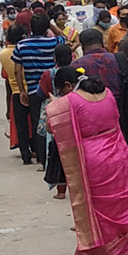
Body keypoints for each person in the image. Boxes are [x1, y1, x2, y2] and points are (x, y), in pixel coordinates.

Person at [44, 66, 128, 255]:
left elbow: (50, 128)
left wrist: (56, 106)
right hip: (119, 154)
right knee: (121, 207)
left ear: (67, 87)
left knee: (98, 210)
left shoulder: (68, 103)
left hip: (93, 159)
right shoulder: (108, 94)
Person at [12, 14, 64, 166]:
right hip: (55, 89)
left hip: (34, 90)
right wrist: (52, 26)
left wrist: (22, 91)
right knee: (58, 122)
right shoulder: (55, 41)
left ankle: (42, 158)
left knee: (38, 123)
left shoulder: (21, 45)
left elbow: (17, 70)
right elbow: (65, 37)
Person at [38, 42, 76, 199]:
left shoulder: (49, 74)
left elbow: (41, 92)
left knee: (55, 152)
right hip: (72, 112)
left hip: (54, 114)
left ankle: (60, 191)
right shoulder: (76, 72)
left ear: (55, 58)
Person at [0, 24, 25, 151]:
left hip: (15, 91)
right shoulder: (27, 50)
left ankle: (24, 153)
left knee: (20, 125)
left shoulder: (3, 54)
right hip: (30, 90)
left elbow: (5, 76)